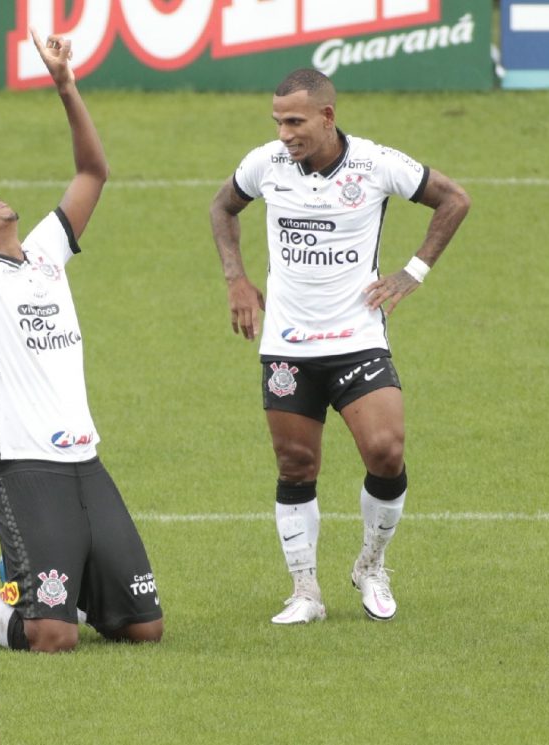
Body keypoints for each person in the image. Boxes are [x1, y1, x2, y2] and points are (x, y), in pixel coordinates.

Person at [0, 30, 163, 653]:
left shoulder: (44, 253)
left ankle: (38, 578)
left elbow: (94, 171)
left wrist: (66, 85)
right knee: (51, 636)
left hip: (85, 458)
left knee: (144, 628)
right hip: (26, 464)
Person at [209, 69, 470, 624]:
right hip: (288, 342)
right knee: (296, 464)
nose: (284, 132)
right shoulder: (265, 164)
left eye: (295, 121)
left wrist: (413, 271)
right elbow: (222, 208)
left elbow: (453, 199)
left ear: (327, 117)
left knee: (385, 450)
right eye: (278, 121)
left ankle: (371, 565)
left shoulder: (375, 164)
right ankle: (305, 591)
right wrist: (235, 276)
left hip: (357, 338)